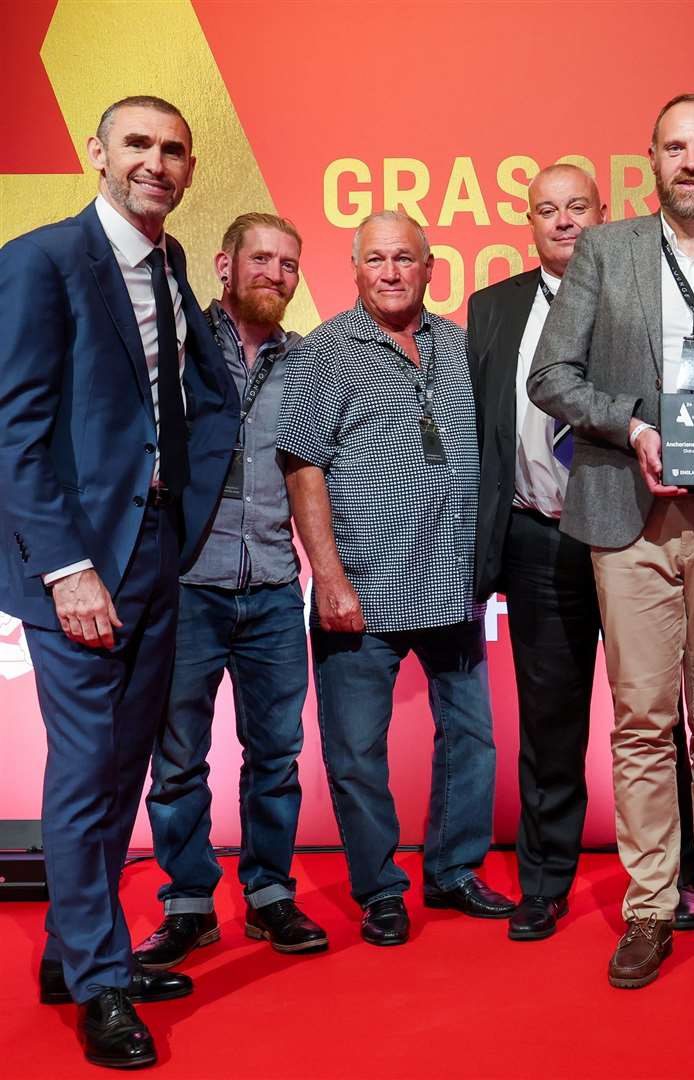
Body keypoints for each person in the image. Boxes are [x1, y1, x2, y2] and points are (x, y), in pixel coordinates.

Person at [530, 93, 694, 989]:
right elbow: (550, 375)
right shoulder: (605, 251)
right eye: (674, 148)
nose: (690, 162)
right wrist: (634, 428)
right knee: (643, 723)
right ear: (649, 159)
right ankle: (648, 908)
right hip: (628, 512)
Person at [0, 95, 239, 1068]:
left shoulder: (173, 265)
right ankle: (99, 984)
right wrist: (66, 570)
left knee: (124, 769)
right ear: (97, 153)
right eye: (136, 144)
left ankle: (74, 949)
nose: (155, 161)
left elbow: (190, 405)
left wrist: (183, 511)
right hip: (79, 570)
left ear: (189, 169)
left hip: (154, 556)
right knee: (86, 769)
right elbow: (13, 436)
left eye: (172, 149)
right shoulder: (40, 261)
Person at [278, 210, 515, 949]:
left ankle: (452, 871)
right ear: (354, 269)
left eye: (404, 259)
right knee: (355, 753)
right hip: (363, 591)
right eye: (375, 259)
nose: (389, 272)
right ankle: (381, 889)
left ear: (430, 267)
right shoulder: (326, 352)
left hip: (452, 585)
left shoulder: (460, 345)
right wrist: (329, 576)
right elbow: (301, 464)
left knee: (472, 740)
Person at [135, 213, 326, 970]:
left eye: (288, 264)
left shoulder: (310, 362)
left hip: (277, 589)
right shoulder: (180, 346)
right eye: (261, 259)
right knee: (176, 759)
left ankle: (270, 893)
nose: (274, 275)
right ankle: (187, 906)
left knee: (276, 755)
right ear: (224, 263)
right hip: (187, 586)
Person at [468, 165, 606, 943]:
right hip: (534, 534)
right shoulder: (493, 309)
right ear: (529, 223)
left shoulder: (642, 297)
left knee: (656, 715)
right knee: (549, 721)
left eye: (576, 206)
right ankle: (545, 882)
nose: (562, 221)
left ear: (603, 214)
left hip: (631, 533)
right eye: (546, 210)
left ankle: (680, 878)